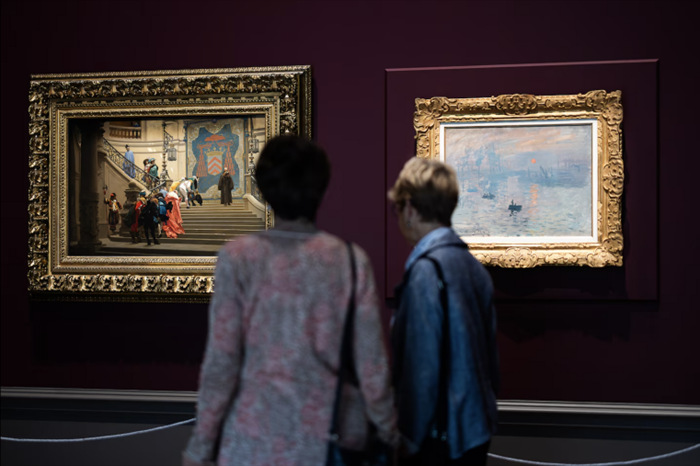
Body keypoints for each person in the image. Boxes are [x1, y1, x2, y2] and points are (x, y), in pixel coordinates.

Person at [183, 135, 397, 466]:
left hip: (252, 440)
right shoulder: (351, 261)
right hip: (326, 438)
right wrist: (388, 430)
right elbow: (372, 363)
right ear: (321, 188)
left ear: (264, 189)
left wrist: (201, 446)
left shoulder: (238, 257)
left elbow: (221, 362)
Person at [388, 157, 499, 466]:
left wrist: (408, 438)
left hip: (436, 438)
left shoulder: (426, 271)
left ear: (410, 208)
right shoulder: (474, 267)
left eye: (397, 209)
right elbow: (491, 362)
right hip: (474, 431)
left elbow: (421, 368)